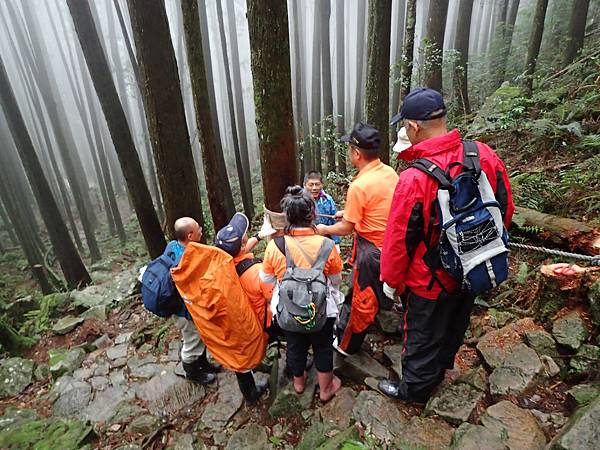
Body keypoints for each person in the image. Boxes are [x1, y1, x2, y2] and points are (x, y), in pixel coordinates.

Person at [378, 87, 514, 403]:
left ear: (412, 126)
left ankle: (413, 392)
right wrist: (482, 248)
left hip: (429, 280)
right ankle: (441, 370)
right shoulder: (480, 153)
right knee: (455, 323)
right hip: (474, 267)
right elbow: (504, 206)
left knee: (422, 336)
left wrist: (391, 281)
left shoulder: (414, 178)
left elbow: (400, 240)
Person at [316, 123, 398, 355]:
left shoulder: (359, 185)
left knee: (360, 300)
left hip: (371, 251)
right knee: (370, 288)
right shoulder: (388, 172)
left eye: (350, 148)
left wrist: (324, 229)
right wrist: (348, 213)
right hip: (390, 244)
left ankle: (347, 344)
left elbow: (346, 228)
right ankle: (381, 311)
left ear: (357, 153)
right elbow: (380, 206)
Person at [260, 186, 343, 402]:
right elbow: (335, 281)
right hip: (321, 311)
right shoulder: (327, 245)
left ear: (287, 217)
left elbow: (266, 280)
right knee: (323, 347)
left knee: (295, 346)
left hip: (288, 312)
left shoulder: (275, 246)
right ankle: (326, 390)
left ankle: (298, 383)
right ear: (313, 214)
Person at [213, 212, 273, 404]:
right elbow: (273, 297)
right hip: (258, 323)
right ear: (241, 245)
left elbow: (238, 254)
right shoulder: (255, 273)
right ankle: (253, 396)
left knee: (240, 363)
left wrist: (259, 236)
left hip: (231, 326)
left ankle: (249, 393)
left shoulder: (220, 266)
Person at [165, 217, 219, 385]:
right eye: (198, 228)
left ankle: (202, 363)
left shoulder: (173, 246)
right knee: (191, 340)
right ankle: (192, 372)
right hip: (184, 310)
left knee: (199, 335)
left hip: (186, 307)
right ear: (190, 235)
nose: (201, 229)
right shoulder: (187, 260)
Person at [303, 171, 341, 246]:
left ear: (322, 185)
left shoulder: (327, 200)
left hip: (325, 240)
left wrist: (335, 244)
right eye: (311, 185)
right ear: (304, 185)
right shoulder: (298, 200)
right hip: (304, 241)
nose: (314, 188)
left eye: (317, 184)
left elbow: (333, 223)